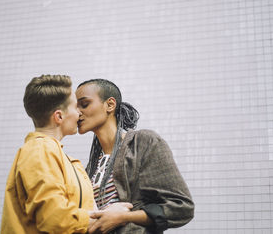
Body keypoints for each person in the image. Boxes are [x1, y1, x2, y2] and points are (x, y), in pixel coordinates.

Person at [76, 79, 195, 234]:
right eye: (75, 107)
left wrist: (125, 217)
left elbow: (181, 207)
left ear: (110, 105)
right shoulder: (92, 166)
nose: (77, 112)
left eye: (84, 104)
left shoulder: (144, 142)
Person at [1, 74, 97, 233]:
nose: (80, 113)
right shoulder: (40, 151)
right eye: (75, 107)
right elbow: (55, 220)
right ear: (59, 116)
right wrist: (106, 217)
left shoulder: (58, 156)